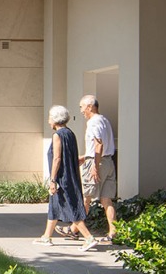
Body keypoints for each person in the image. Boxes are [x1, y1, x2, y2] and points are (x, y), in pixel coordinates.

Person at [35, 105, 97, 251]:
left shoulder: (58, 135)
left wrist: (52, 180)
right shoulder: (70, 133)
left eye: (50, 117)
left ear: (55, 120)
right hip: (70, 175)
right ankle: (46, 237)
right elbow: (71, 156)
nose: (49, 121)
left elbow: (57, 158)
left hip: (62, 177)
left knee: (70, 206)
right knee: (55, 206)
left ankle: (89, 237)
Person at [79, 94, 118, 243]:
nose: (81, 111)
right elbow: (102, 146)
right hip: (108, 162)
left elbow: (98, 144)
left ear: (90, 107)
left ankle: (75, 229)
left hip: (98, 163)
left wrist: (94, 165)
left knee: (86, 198)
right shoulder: (104, 120)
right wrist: (85, 156)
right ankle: (113, 233)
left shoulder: (93, 122)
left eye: (82, 107)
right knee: (106, 199)